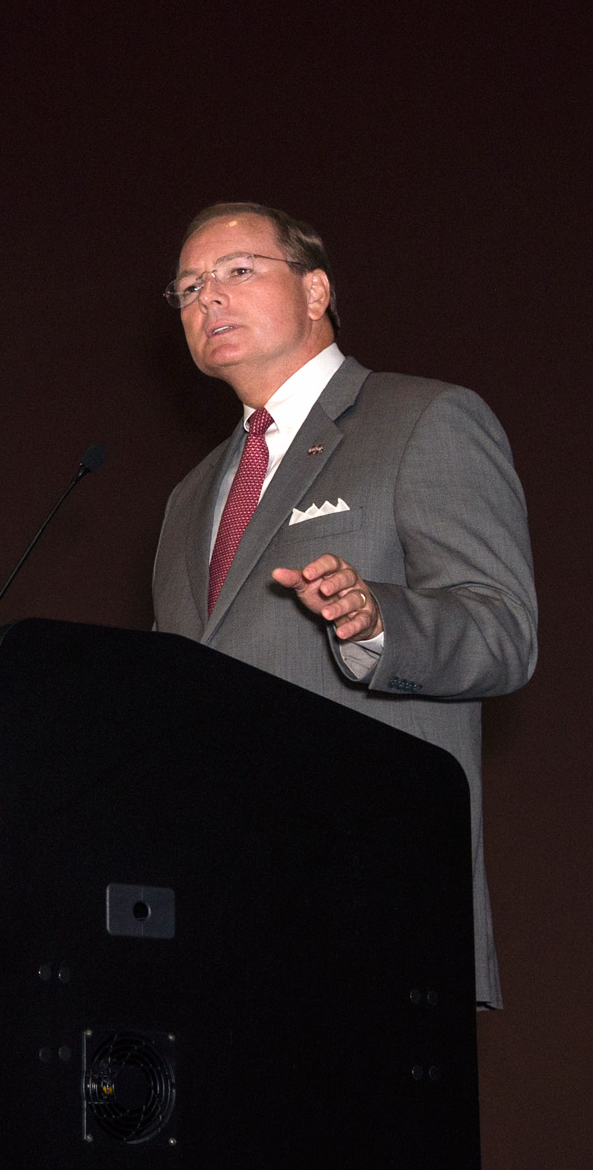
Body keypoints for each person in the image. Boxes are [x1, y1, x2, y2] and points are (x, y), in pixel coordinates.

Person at [151, 202, 536, 1009]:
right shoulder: (190, 499)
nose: (207, 298)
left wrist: (379, 621)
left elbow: (503, 632)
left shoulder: (422, 419)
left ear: (317, 289)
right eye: (187, 287)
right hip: (217, 936)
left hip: (373, 918)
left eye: (236, 271)